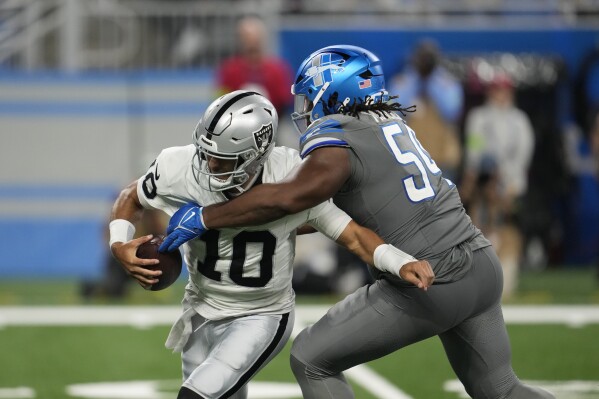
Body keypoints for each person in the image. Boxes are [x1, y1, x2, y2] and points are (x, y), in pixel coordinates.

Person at [161, 45, 555, 399]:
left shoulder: (341, 134)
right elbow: (319, 212)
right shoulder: (390, 124)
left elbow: (293, 196)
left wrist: (207, 217)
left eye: (310, 98)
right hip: (479, 264)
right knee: (502, 390)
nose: (305, 109)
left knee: (311, 357)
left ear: (335, 93)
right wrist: (241, 226)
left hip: (429, 276)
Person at [109, 90, 433, 399]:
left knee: (195, 395)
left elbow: (350, 234)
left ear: (254, 156)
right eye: (206, 154)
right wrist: (118, 244)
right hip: (199, 310)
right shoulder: (180, 166)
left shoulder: (291, 176)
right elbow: (130, 197)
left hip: (260, 315)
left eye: (222, 160)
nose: (208, 166)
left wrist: (398, 261)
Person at [460, 73, 535, 298]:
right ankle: (478, 279)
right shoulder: (479, 117)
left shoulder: (519, 120)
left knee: (508, 227)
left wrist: (510, 184)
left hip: (511, 183)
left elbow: (523, 154)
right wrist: (477, 179)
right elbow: (474, 149)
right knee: (479, 226)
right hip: (483, 181)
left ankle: (508, 277)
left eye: (504, 90)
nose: (500, 95)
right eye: (496, 90)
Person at [390, 39, 464, 182]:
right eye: (422, 58)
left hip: (443, 158)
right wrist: (416, 80)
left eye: (429, 59)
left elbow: (452, 113)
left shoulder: (447, 82)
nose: (425, 62)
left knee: (443, 203)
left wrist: (430, 83)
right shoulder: (404, 81)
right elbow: (394, 111)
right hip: (410, 157)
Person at [216, 15, 293, 116]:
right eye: (246, 37)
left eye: (255, 37)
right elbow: (219, 101)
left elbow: (284, 100)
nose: (251, 43)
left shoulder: (277, 69)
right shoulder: (229, 70)